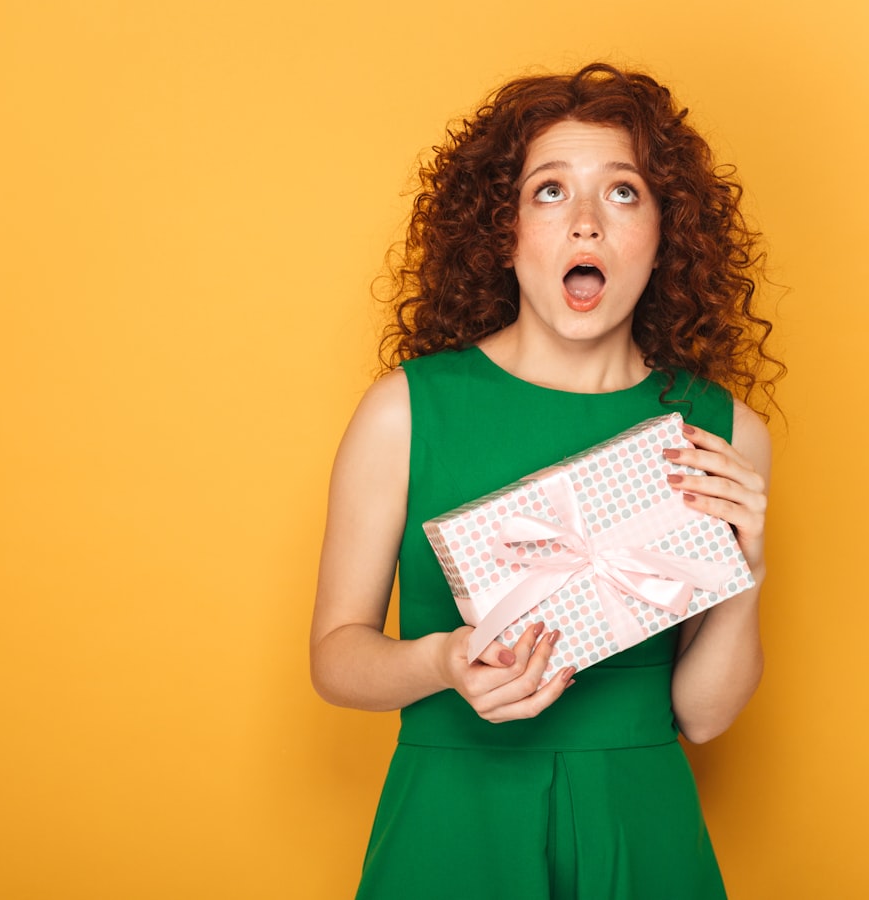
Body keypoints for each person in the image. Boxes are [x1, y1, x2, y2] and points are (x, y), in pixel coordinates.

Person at [309, 62, 781, 900]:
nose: (586, 223)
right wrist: (444, 661)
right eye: (550, 191)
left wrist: (745, 571)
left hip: (641, 826)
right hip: (452, 822)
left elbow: (704, 718)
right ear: (504, 231)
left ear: (666, 234)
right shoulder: (405, 412)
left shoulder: (725, 432)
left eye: (624, 193)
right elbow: (335, 660)